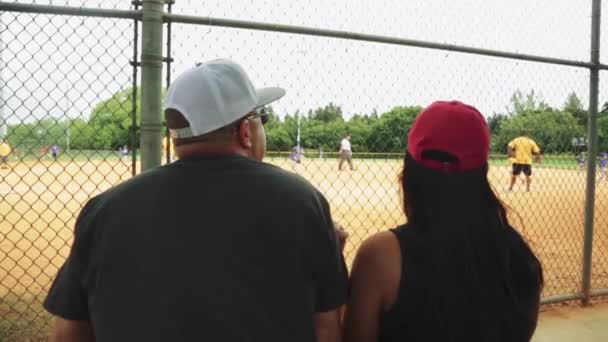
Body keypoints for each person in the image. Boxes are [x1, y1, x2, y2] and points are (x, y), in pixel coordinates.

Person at [43, 59, 348, 342]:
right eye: (261, 117)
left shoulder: (105, 210)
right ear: (245, 131)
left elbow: (68, 331)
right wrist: (329, 254)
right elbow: (327, 329)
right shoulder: (302, 202)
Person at [344, 101, 543, 342]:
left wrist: (331, 265)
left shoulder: (380, 256)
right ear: (482, 171)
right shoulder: (518, 256)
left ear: (409, 170)